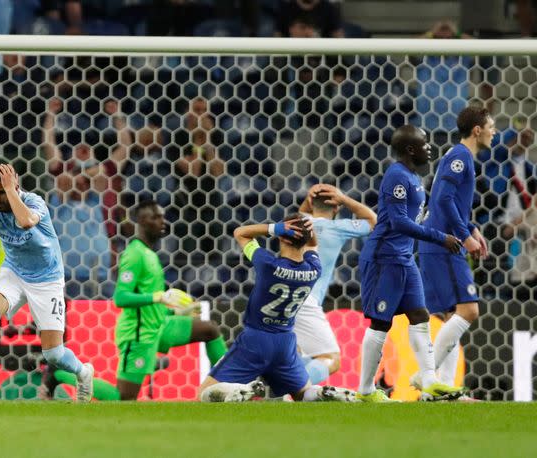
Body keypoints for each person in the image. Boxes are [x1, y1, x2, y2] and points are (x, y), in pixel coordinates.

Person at [0, 164, 94, 403]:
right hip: (13, 272)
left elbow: (25, 222)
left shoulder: (34, 203)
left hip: (47, 280)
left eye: (1, 192)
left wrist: (10, 191)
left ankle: (83, 372)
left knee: (53, 353)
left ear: (15, 187)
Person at [356, 125, 465, 402]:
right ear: (409, 149)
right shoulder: (396, 176)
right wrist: (441, 238)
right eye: (424, 143)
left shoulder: (413, 177)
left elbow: (415, 220)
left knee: (420, 315)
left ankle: (429, 380)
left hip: (404, 259)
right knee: (381, 323)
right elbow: (398, 222)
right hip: (384, 259)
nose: (429, 147)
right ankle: (366, 391)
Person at [199, 215, 354, 402]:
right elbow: (313, 245)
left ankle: (235, 390)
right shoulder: (314, 269)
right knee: (302, 394)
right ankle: (321, 393)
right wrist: (307, 229)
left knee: (204, 394)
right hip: (285, 344)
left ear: (282, 236)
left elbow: (240, 233)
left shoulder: (267, 264)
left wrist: (274, 228)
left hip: (256, 340)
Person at [112, 199, 227, 401]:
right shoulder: (134, 254)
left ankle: (227, 387)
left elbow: (153, 305)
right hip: (140, 334)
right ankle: (60, 375)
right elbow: (120, 298)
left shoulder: (150, 254)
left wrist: (177, 311)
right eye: (155, 217)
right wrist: (158, 296)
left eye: (163, 216)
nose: (162, 221)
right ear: (140, 221)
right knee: (122, 398)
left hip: (160, 326)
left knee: (209, 329)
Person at [417, 107, 495, 393]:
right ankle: (426, 376)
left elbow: (447, 200)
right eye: (491, 126)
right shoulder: (461, 157)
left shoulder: (458, 157)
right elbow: (444, 201)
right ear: (477, 129)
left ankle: (444, 389)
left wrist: (472, 227)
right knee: (469, 311)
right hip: (444, 243)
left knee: (453, 318)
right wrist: (465, 235)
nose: (493, 131)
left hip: (439, 241)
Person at [296, 183, 377, 384]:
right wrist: (344, 198)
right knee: (331, 359)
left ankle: (295, 394)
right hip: (308, 301)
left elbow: (302, 212)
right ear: (336, 208)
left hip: (286, 297)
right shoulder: (337, 228)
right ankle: (298, 390)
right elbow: (372, 221)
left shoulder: (299, 224)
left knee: (296, 357)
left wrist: (310, 199)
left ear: (310, 203)